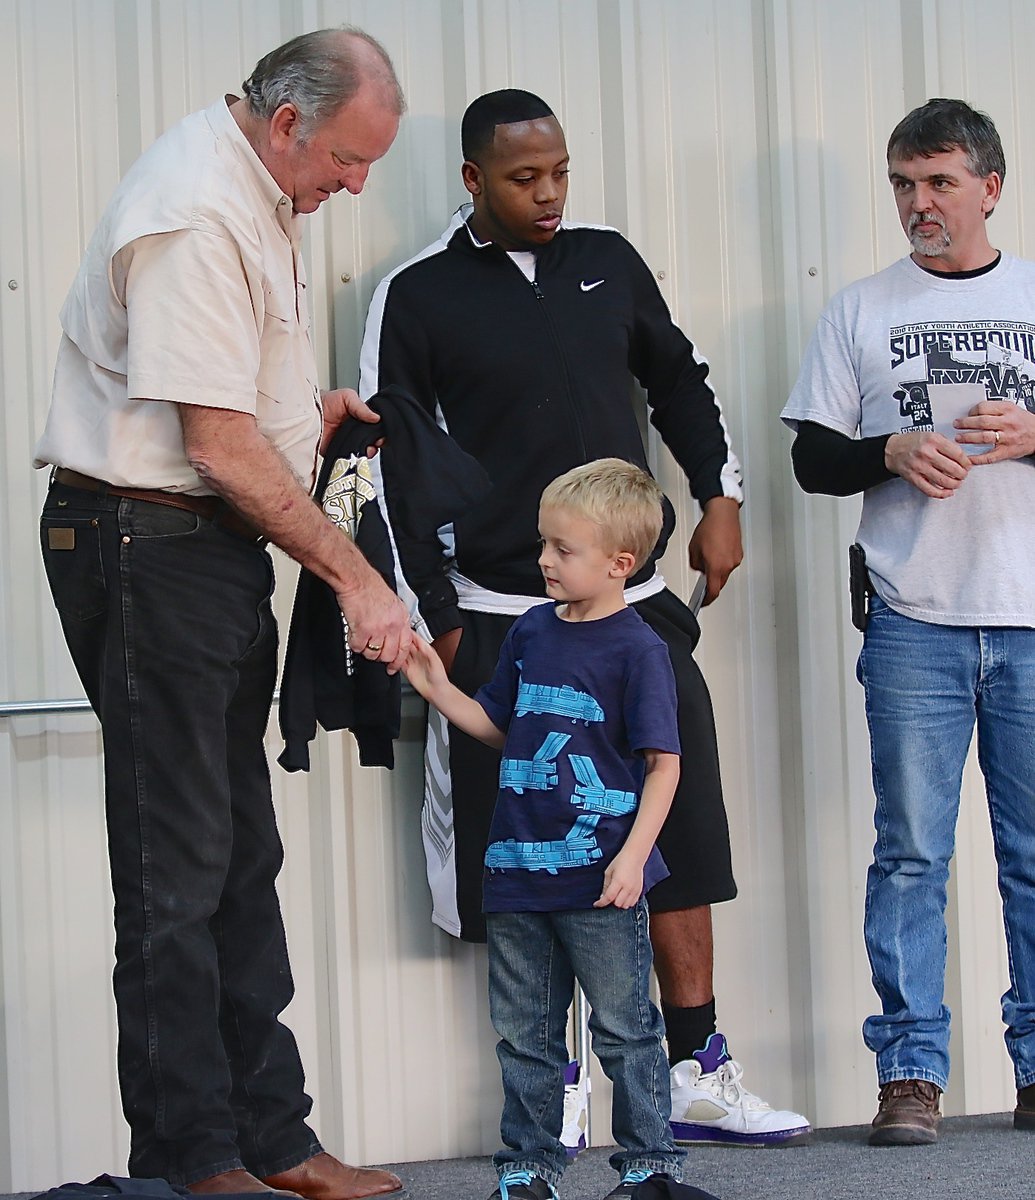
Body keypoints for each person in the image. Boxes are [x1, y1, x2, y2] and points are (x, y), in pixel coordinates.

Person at [359, 88, 810, 1146]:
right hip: (505, 617)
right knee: (535, 854)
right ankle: (556, 1084)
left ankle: (699, 1067)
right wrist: (442, 614)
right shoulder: (416, 295)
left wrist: (721, 497)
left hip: (638, 615)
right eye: (524, 178)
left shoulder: (610, 258)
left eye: (560, 170)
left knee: (680, 837)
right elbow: (392, 466)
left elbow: (681, 384)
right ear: (474, 180)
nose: (550, 192)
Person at [35, 28, 413, 1198]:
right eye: (349, 160)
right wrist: (356, 576)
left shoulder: (260, 189)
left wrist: (311, 414)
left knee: (241, 859)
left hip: (203, 544)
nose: (355, 187)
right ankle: (190, 1163)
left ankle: (273, 1140)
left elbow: (238, 409)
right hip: (148, 545)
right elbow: (214, 444)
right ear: (290, 121)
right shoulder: (198, 210)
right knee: (178, 870)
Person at [782, 97, 1035, 1145]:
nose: (917, 204)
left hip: (1027, 620)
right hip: (913, 623)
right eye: (901, 183)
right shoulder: (858, 309)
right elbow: (810, 458)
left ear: (990, 186)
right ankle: (910, 1077)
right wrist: (887, 451)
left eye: (937, 182)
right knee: (911, 856)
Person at [402, 459, 708, 1200]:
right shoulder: (532, 631)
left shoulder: (639, 650)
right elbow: (501, 730)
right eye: (544, 544)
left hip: (600, 877)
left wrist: (634, 859)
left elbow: (663, 766)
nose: (544, 560)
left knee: (626, 1029)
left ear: (618, 563)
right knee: (524, 1036)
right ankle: (529, 1170)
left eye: (562, 550)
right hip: (515, 872)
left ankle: (648, 1167)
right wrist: (435, 687)